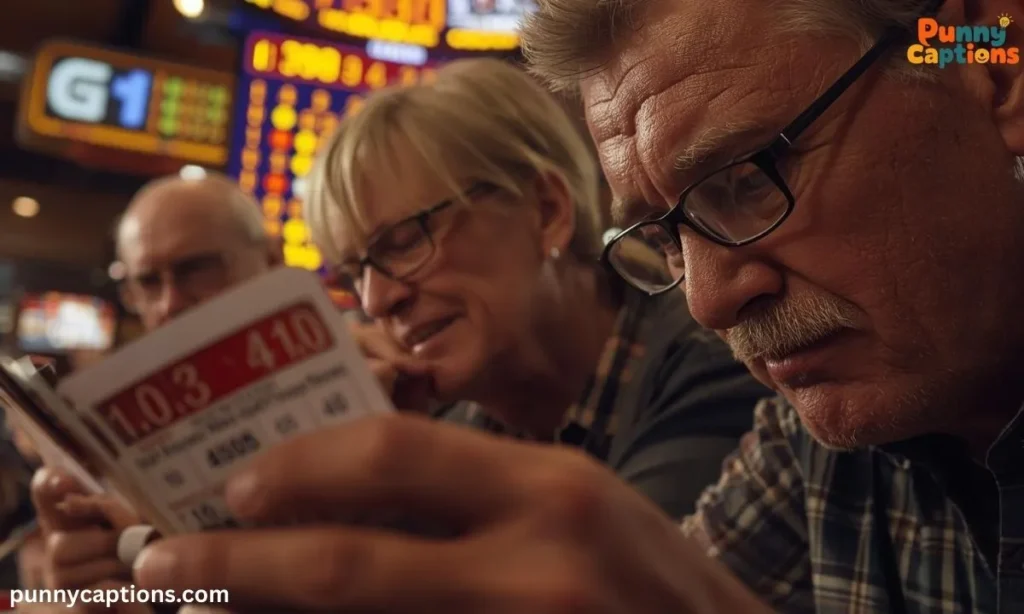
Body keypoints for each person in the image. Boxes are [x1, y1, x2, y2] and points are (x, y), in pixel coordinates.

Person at [66, 0, 1024, 608]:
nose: (711, 300)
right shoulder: (821, 431)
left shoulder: (716, 380)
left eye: (747, 174)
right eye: (665, 233)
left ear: (993, 66)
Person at [304, 57, 767, 518]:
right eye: (352, 275)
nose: (376, 300)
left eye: (405, 242)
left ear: (547, 212)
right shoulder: (433, 421)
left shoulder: (715, 366)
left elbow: (603, 585)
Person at [32, 173, 280, 612]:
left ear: (272, 259)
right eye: (147, 283)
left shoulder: (383, 376)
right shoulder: (117, 456)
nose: (170, 304)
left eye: (197, 268)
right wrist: (75, 594)